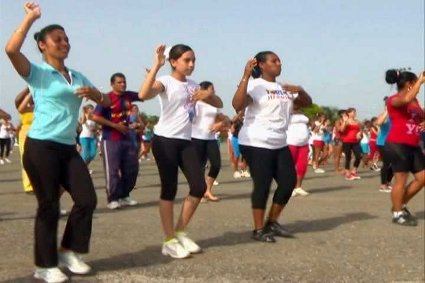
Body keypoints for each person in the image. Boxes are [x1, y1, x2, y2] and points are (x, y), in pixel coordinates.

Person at [5, 2, 110, 282]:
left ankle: (68, 250)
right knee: (49, 204)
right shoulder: (38, 74)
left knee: (87, 199)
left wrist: (97, 95)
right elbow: (11, 50)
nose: (64, 43)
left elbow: (107, 100)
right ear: (42, 45)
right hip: (41, 147)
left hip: (67, 147)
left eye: (66, 39)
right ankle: (45, 265)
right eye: (57, 39)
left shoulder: (76, 75)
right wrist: (29, 18)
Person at [139, 44, 223, 258]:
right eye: (187, 60)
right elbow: (143, 93)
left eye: (193, 60)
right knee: (170, 189)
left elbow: (219, 102)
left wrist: (207, 95)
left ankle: (180, 231)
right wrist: (156, 66)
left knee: (198, 186)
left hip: (186, 141)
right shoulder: (166, 82)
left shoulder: (194, 85)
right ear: (173, 62)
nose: (191, 64)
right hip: (165, 140)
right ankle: (168, 240)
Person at [233, 51, 312, 242]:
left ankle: (272, 222)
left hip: (279, 141)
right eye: (274, 61)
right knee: (263, 184)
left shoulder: (283, 88)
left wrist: (300, 90)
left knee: (288, 182)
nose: (279, 63)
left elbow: (307, 103)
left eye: (279, 60)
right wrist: (245, 76)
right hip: (256, 142)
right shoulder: (254, 85)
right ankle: (258, 229)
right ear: (261, 65)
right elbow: (237, 104)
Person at [92, 73, 141, 210]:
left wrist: (151, 75)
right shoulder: (106, 98)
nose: (123, 84)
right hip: (111, 139)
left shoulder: (129, 96)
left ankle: (124, 195)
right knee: (112, 170)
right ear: (112, 84)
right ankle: (112, 198)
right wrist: (114, 126)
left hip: (127, 139)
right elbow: (95, 117)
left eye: (124, 82)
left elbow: (144, 94)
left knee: (132, 169)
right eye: (119, 82)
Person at [384, 69, 425, 226]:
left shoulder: (414, 101)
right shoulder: (393, 100)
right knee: (401, 179)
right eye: (415, 83)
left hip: (413, 145)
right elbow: (405, 99)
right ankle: (397, 213)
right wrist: (420, 82)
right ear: (409, 84)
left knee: (422, 178)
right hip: (397, 144)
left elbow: (421, 115)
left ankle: (399, 204)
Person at [191, 81, 229, 201]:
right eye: (212, 88)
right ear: (204, 90)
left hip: (211, 138)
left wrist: (220, 123)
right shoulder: (195, 102)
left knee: (216, 164)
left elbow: (225, 118)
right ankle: (198, 192)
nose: (214, 91)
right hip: (196, 137)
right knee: (199, 166)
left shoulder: (214, 104)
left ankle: (208, 190)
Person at [287, 105, 311, 196]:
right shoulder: (286, 110)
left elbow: (310, 123)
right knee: (290, 166)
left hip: (304, 142)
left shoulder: (302, 112)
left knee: (302, 165)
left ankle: (298, 187)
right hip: (291, 141)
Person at [15, 87, 34, 192]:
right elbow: (18, 100)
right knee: (25, 159)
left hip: (38, 134)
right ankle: (28, 185)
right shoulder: (23, 108)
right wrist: (29, 89)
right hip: (24, 134)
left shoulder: (37, 107)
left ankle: (37, 182)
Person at [339, 108, 362, 181]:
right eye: (353, 112)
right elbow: (341, 130)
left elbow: (360, 129)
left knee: (359, 156)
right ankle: (347, 173)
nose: (355, 114)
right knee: (348, 157)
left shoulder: (357, 121)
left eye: (355, 112)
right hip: (347, 141)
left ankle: (354, 171)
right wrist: (345, 121)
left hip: (355, 141)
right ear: (348, 113)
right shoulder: (346, 121)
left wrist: (359, 133)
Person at [375, 104, 393, 192]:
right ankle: (383, 185)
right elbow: (379, 123)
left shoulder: (396, 117)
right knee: (386, 163)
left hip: (394, 143)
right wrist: (387, 112)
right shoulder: (383, 116)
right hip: (383, 143)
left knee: (395, 164)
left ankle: (388, 182)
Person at [79, 105, 98, 171]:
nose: (93, 110)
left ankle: (84, 167)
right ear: (87, 110)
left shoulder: (94, 117)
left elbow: (96, 128)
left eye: (93, 108)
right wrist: (84, 113)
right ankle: (83, 169)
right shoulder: (84, 116)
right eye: (91, 109)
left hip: (92, 137)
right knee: (86, 155)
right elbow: (82, 122)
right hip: (84, 137)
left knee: (93, 154)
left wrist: (96, 136)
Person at [333, 109, 346, 174]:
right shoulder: (338, 121)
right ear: (341, 114)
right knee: (338, 155)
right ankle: (336, 169)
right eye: (344, 113)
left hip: (345, 139)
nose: (346, 114)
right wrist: (344, 122)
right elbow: (339, 129)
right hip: (338, 139)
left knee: (345, 155)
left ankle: (342, 168)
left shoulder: (347, 121)